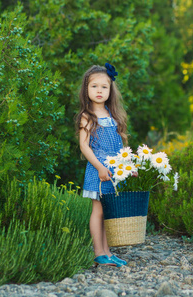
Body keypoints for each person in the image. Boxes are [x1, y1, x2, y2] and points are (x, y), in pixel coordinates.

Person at [75, 63, 128, 267]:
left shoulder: (112, 115)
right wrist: (99, 167)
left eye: (104, 87)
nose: (99, 91)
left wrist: (127, 167)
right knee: (98, 210)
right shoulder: (88, 116)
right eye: (94, 86)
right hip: (99, 171)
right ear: (86, 90)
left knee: (108, 211)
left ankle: (107, 251)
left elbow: (120, 146)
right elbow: (84, 146)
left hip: (114, 170)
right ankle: (98, 252)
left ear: (110, 90)